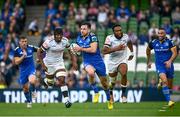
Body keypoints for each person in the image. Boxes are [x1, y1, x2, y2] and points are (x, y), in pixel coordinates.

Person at [73, 22, 113, 109]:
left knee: (105, 84)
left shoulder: (93, 36)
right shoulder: (79, 38)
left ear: (89, 30)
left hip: (98, 62)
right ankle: (96, 92)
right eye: (81, 29)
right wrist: (75, 55)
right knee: (90, 73)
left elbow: (93, 50)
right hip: (87, 61)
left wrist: (80, 48)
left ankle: (109, 100)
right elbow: (76, 50)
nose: (82, 30)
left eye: (84, 29)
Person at [37, 27, 77, 108]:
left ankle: (66, 100)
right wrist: (43, 65)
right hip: (48, 64)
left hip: (59, 63)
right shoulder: (48, 42)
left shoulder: (65, 40)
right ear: (54, 35)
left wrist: (74, 62)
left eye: (60, 35)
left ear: (62, 35)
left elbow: (70, 51)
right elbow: (39, 51)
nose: (59, 37)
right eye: (57, 35)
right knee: (50, 83)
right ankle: (46, 81)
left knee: (62, 80)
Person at [102, 24, 134, 103]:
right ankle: (111, 93)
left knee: (124, 73)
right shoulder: (109, 38)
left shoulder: (125, 37)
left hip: (122, 60)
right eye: (117, 31)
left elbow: (129, 43)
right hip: (112, 62)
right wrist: (117, 48)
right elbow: (104, 51)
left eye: (120, 30)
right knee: (112, 82)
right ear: (114, 32)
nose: (119, 32)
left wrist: (132, 53)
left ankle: (123, 94)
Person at [146, 28, 177, 107]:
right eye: (159, 33)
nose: (160, 35)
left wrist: (170, 61)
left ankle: (160, 82)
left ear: (165, 34)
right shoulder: (154, 42)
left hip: (169, 65)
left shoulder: (170, 42)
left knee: (169, 86)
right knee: (165, 81)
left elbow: (175, 53)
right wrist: (149, 61)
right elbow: (148, 50)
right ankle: (169, 101)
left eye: (162, 33)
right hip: (160, 65)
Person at [14, 36, 38, 108]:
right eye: (22, 41)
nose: (24, 43)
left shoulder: (31, 47)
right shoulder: (17, 50)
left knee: (32, 81)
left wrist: (40, 58)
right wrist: (23, 56)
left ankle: (33, 91)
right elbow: (16, 62)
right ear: (19, 42)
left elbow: (41, 50)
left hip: (31, 69)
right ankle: (29, 101)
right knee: (25, 88)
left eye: (25, 41)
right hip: (23, 71)